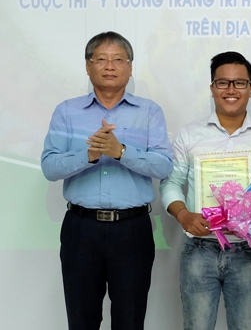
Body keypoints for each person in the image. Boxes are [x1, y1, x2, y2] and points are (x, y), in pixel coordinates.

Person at [41, 31, 173, 330]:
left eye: (118, 59)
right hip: (80, 230)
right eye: (100, 59)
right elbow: (49, 167)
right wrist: (88, 154)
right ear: (88, 67)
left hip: (132, 230)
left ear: (130, 67)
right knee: (82, 320)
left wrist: (121, 151)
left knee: (129, 320)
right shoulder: (67, 111)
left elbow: (164, 166)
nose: (109, 65)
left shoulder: (149, 112)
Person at [159, 51, 251, 330]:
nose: (231, 90)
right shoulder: (189, 135)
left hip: (247, 252)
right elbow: (170, 182)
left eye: (239, 83)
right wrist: (183, 215)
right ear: (212, 88)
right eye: (223, 83)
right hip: (199, 250)